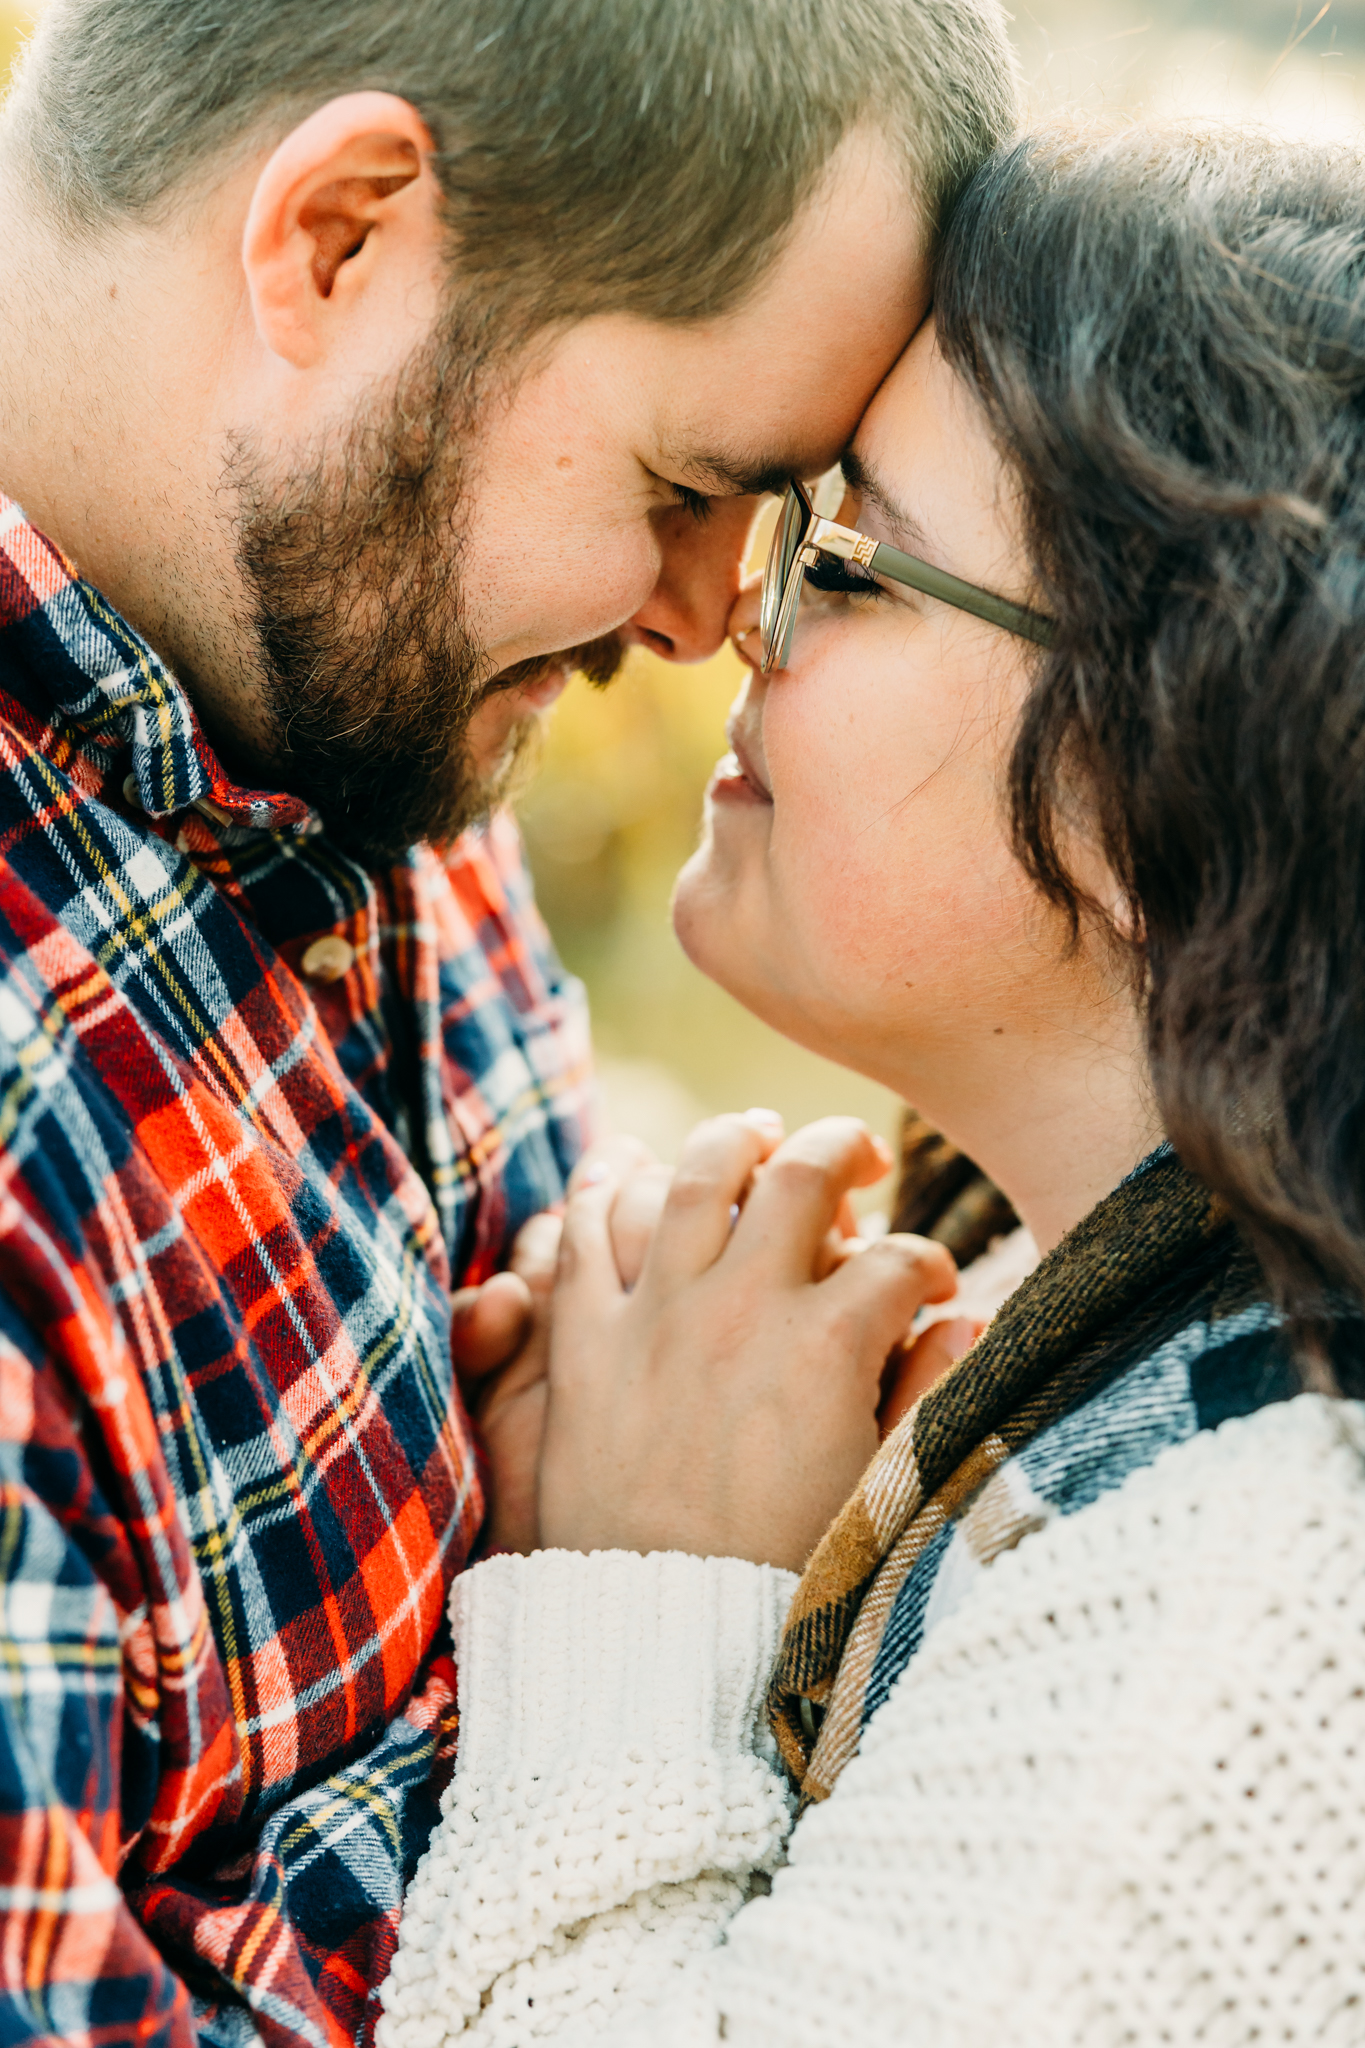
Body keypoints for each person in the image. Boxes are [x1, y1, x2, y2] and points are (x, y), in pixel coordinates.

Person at [0, 3, 1020, 2044]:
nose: (699, 618)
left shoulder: (335, 690)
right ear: (341, 238)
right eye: (678, 483)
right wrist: (645, 1621)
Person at [381, 124, 1365, 2045]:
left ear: (1142, 766)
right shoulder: (1068, 1302)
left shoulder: (1250, 1613)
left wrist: (642, 1578)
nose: (729, 619)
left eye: (844, 561)